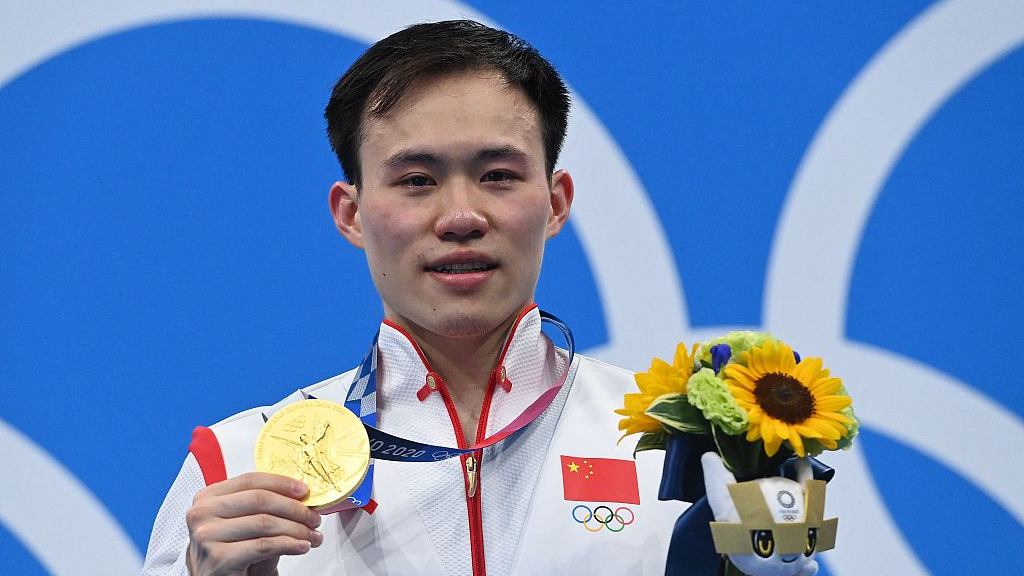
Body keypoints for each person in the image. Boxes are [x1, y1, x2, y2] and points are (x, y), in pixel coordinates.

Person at [141, 20, 684, 576]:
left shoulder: (685, 443)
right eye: (417, 181)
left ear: (555, 202)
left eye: (497, 174)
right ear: (351, 214)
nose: (460, 218)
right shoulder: (236, 466)